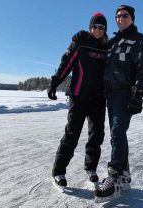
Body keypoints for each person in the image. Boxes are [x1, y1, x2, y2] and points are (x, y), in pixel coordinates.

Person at [95, 5, 143, 199]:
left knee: (118, 131)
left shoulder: (140, 40)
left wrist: (138, 94)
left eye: (125, 16)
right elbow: (94, 47)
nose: (121, 19)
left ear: (132, 18)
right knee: (116, 134)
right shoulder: (112, 42)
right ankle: (125, 175)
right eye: (118, 16)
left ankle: (115, 176)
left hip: (125, 92)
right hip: (110, 94)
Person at [47, 12, 108, 188]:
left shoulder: (107, 48)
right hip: (78, 96)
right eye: (95, 26)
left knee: (97, 135)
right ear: (90, 27)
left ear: (105, 30)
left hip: (98, 98)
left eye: (101, 27)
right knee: (72, 134)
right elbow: (66, 63)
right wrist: (55, 83)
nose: (97, 30)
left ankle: (91, 168)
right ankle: (58, 171)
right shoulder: (80, 43)